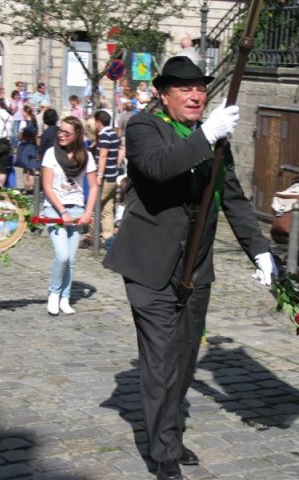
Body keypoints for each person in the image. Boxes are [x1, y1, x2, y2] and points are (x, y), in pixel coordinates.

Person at [102, 56, 277, 480]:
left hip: (196, 266)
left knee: (184, 358)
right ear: (164, 95)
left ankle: (171, 432)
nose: (196, 95)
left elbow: (232, 198)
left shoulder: (212, 137)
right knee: (161, 358)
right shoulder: (144, 126)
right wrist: (207, 135)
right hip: (150, 264)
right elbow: (159, 166)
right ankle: (163, 452)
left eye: (200, 87)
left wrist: (260, 251)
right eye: (185, 88)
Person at [41, 116, 98, 316]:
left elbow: (93, 187)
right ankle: (54, 293)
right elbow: (47, 187)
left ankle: (65, 298)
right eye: (60, 131)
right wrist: (62, 211)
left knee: (71, 259)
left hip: (76, 209)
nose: (61, 135)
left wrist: (88, 212)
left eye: (67, 132)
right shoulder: (51, 154)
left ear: (77, 135)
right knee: (62, 255)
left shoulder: (86, 156)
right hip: (54, 209)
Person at [90, 110, 120, 242]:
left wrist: (99, 175)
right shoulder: (113, 133)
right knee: (108, 209)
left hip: (106, 177)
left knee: (93, 206)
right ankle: (108, 237)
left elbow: (103, 156)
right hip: (113, 176)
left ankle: (92, 237)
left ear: (99, 122)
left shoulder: (104, 135)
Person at [16, 104, 39, 194]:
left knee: (25, 168)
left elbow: (20, 135)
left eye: (23, 112)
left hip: (25, 145)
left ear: (26, 112)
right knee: (31, 167)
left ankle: (26, 187)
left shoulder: (23, 122)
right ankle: (32, 186)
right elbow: (36, 135)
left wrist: (19, 138)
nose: (22, 113)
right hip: (33, 145)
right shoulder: (34, 122)